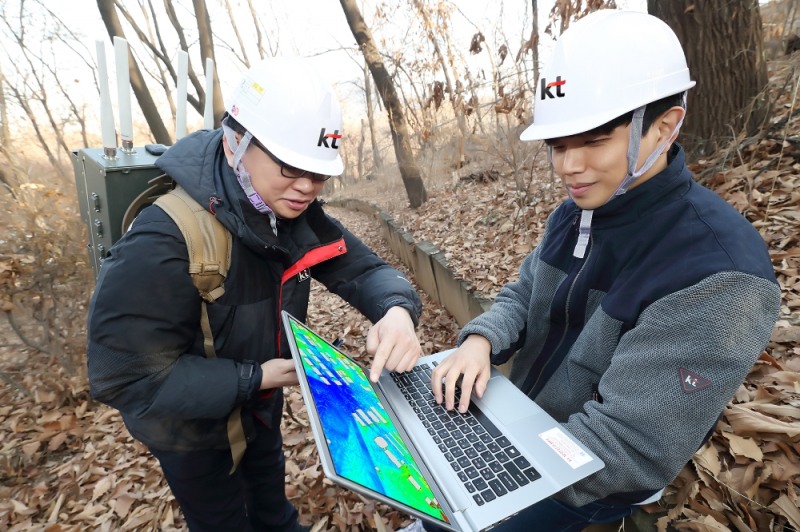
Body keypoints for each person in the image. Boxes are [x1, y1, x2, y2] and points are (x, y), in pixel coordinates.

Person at [429, 9, 781, 531]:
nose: (569, 166)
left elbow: (629, 447)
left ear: (665, 126)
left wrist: (494, 473)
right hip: (527, 423)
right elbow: (525, 293)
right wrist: (480, 341)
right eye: (558, 144)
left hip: (589, 480)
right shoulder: (578, 212)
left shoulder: (719, 275)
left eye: (594, 141)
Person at [86, 57, 423, 531]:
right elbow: (122, 377)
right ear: (234, 142)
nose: (306, 187)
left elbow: (363, 268)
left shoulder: (284, 210)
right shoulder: (164, 239)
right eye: (290, 166)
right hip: (194, 435)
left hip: (259, 409)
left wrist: (396, 310)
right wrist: (254, 377)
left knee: (272, 511)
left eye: (318, 173)